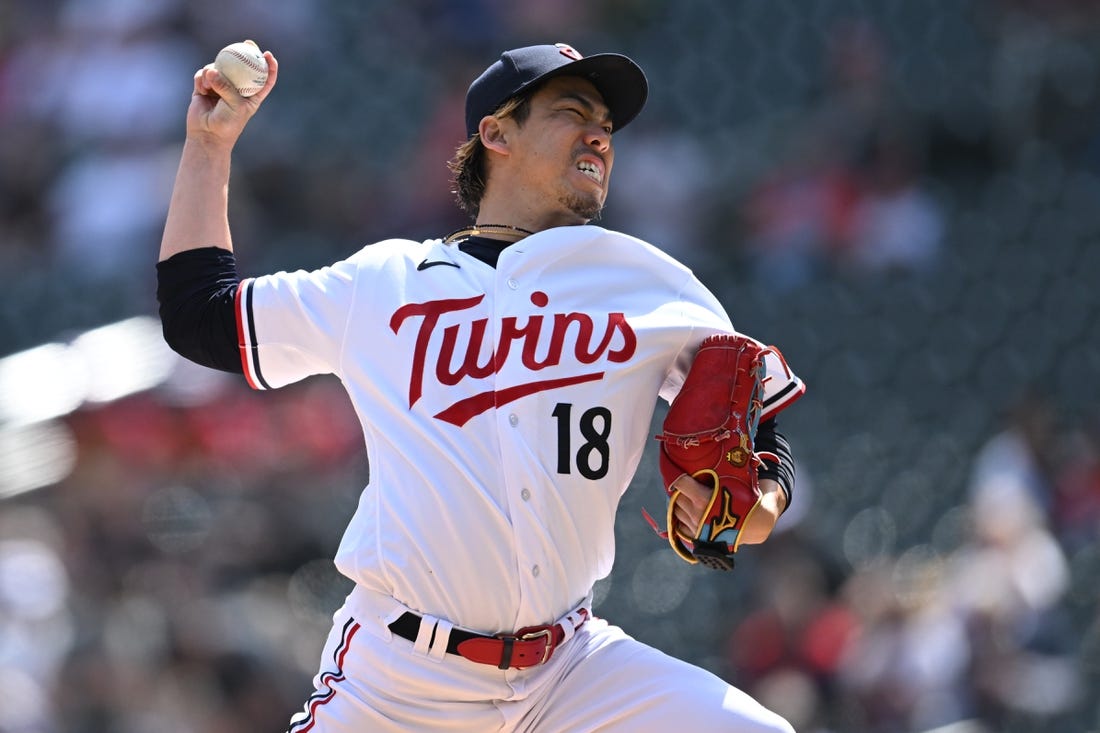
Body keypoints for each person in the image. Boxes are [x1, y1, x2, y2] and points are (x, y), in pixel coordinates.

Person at [157, 41, 805, 733]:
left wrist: (751, 503)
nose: (598, 135)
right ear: (495, 132)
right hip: (401, 680)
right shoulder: (384, 284)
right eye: (571, 111)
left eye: (607, 126)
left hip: (570, 672)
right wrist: (208, 146)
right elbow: (200, 316)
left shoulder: (651, 283)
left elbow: (760, 433)